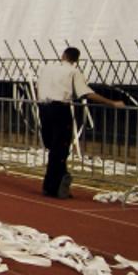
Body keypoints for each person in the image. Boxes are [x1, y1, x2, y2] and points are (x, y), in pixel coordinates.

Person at [35, 47, 124, 198]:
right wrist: (112, 103)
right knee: (60, 148)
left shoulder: (47, 68)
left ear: (62, 55)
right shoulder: (73, 72)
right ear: (76, 60)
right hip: (59, 109)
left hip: (43, 108)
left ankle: (54, 182)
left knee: (53, 147)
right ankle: (53, 185)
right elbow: (86, 93)